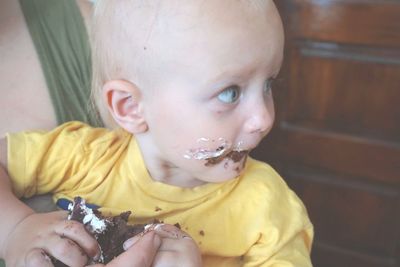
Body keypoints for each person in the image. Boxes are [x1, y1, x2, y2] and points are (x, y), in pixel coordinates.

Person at [0, 0, 314, 266]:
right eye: (230, 92)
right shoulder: (83, 157)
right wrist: (15, 228)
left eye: (269, 84)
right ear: (131, 107)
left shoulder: (269, 209)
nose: (264, 118)